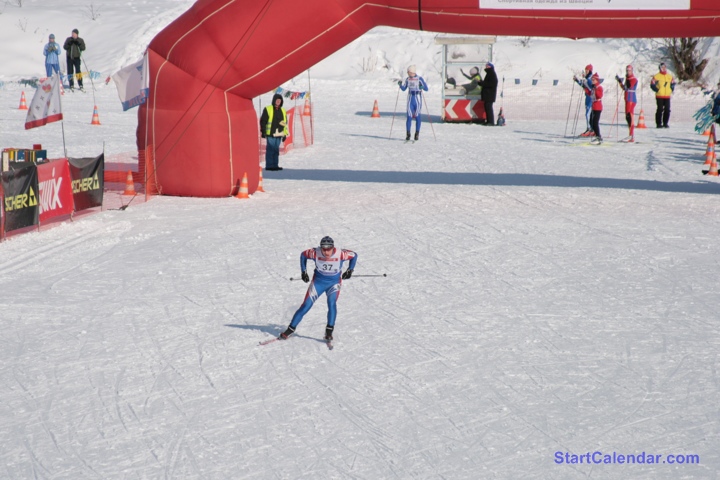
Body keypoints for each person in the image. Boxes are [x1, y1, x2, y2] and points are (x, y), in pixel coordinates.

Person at [280, 236, 358, 342]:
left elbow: (354, 255)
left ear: (333, 247)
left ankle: (329, 332)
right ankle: (290, 330)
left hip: (333, 284)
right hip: (318, 283)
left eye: (328, 249)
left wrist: (350, 270)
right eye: (323, 249)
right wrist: (303, 272)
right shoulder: (315, 252)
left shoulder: (341, 254)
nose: (326, 252)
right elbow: (303, 255)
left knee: (331, 304)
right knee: (306, 306)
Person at [398, 65, 429, 141]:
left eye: (408, 72)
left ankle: (417, 133)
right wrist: (400, 85)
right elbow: (404, 88)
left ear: (412, 72)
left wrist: (422, 87)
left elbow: (426, 88)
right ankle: (408, 134)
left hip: (417, 98)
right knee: (409, 116)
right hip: (410, 98)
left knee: (417, 116)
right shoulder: (408, 79)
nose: (407, 73)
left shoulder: (419, 79)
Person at [259, 93, 288, 171]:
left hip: (279, 134)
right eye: (277, 100)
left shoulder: (283, 110)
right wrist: (263, 131)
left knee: (276, 150)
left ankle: (275, 165)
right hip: (270, 133)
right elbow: (263, 121)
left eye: (280, 100)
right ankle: (269, 165)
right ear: (274, 100)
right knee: (271, 149)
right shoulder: (268, 109)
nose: (278, 102)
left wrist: (285, 134)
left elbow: (285, 123)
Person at [615, 64, 638, 142]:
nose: (628, 72)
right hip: (627, 99)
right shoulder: (628, 78)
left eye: (629, 71)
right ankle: (631, 135)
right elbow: (624, 88)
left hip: (631, 99)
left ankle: (631, 135)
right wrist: (619, 81)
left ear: (632, 71)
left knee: (629, 116)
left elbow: (628, 86)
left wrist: (623, 82)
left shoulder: (633, 79)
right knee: (628, 117)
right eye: (627, 71)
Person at [650, 62, 676, 128]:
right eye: (662, 67)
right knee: (660, 109)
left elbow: (673, 84)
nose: (664, 68)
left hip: (667, 96)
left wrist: (671, 89)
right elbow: (652, 84)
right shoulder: (656, 76)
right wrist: (657, 90)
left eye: (664, 67)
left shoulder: (669, 76)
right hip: (659, 96)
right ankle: (658, 123)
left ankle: (665, 123)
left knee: (667, 110)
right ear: (660, 68)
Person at [573, 64, 594, 137]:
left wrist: (585, 86)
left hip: (590, 98)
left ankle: (590, 129)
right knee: (588, 114)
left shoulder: (590, 78)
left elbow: (591, 88)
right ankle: (590, 128)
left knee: (588, 114)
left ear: (590, 70)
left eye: (587, 70)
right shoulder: (587, 78)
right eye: (585, 70)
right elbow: (584, 86)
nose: (586, 71)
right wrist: (577, 81)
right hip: (587, 97)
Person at [584, 73, 604, 144]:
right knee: (591, 122)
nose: (592, 81)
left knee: (595, 122)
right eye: (592, 79)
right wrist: (585, 88)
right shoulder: (593, 87)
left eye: (593, 80)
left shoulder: (599, 87)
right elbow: (590, 94)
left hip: (598, 107)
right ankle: (596, 135)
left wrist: (595, 89)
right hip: (594, 107)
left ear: (597, 80)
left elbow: (599, 95)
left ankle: (598, 137)